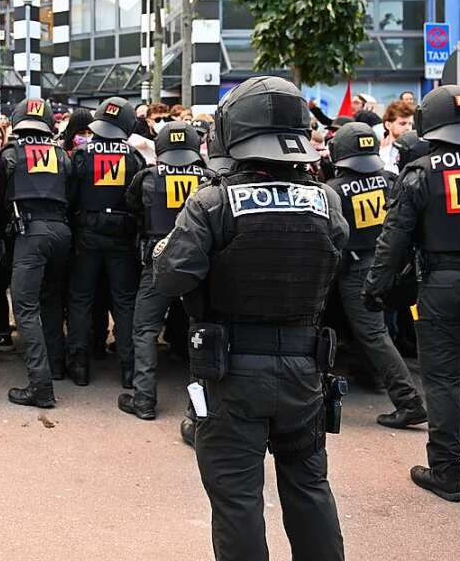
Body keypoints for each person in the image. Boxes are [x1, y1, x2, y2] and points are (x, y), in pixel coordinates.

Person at [153, 76, 347, 561]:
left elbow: (171, 277)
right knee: (310, 489)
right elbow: (337, 262)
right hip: (305, 372)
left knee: (238, 502)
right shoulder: (327, 201)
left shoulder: (213, 202)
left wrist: (163, 249)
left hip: (230, 373)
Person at [364, 85, 460, 502]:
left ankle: (446, 473)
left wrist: (375, 288)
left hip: (442, 287)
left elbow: (393, 240)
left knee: (444, 381)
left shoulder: (421, 172)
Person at [325, 122, 426, 428]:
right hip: (393, 265)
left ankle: (409, 401)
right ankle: (367, 372)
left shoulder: (333, 189)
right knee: (378, 329)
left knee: (374, 334)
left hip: (356, 269)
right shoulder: (391, 179)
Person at [120, 120, 209, 419]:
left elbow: (132, 206)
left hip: (158, 261)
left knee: (144, 329)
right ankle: (201, 408)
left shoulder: (146, 178)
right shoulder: (209, 179)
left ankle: (144, 400)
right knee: (204, 330)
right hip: (199, 264)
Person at [0, 98, 74, 407]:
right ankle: (55, 366)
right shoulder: (63, 156)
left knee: (25, 307)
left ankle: (40, 386)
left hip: (29, 233)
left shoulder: (10, 154)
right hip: (61, 233)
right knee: (51, 300)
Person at [67, 97, 146, 387]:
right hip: (121, 236)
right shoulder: (134, 157)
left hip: (86, 233)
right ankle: (129, 370)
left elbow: (70, 196)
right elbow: (138, 201)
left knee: (80, 299)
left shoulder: (80, 154)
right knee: (124, 302)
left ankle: (79, 366)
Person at [379, 100, 415, 173]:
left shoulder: (417, 150)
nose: (408, 128)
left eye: (410, 124)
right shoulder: (378, 152)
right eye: (402, 123)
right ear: (388, 125)